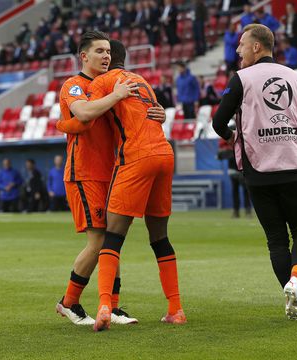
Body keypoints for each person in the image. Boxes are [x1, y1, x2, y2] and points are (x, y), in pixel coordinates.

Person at [68, 39, 185, 331]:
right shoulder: (141, 80)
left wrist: (62, 125)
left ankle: (105, 305)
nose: (104, 57)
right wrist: (164, 113)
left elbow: (83, 113)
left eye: (107, 53)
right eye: (100, 52)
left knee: (112, 236)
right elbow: (154, 111)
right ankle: (176, 309)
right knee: (159, 236)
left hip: (136, 158)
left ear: (111, 58)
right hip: (165, 154)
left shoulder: (104, 82)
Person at [212, 24, 297, 320]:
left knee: (277, 240)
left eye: (242, 44)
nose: (238, 50)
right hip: (293, 164)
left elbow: (219, 122)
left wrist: (234, 138)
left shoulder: (241, 78)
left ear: (257, 47)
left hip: (258, 170)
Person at [217, 135, 251, 218]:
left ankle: (245, 211)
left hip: (241, 172)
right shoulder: (230, 148)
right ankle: (240, 211)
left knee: (243, 192)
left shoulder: (239, 146)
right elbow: (219, 156)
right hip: (235, 172)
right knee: (238, 192)